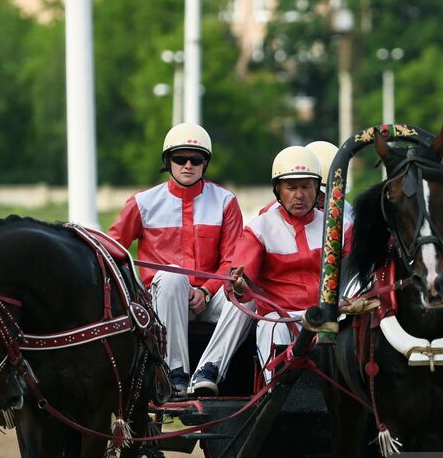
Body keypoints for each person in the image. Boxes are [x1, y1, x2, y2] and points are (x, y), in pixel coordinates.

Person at [108, 122, 243, 394]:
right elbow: (112, 249)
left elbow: (233, 259)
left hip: (209, 296)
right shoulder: (142, 202)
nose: (188, 165)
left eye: (196, 159)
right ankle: (174, 373)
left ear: (205, 163)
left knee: (247, 299)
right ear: (168, 161)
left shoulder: (226, 201)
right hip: (162, 299)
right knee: (172, 276)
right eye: (180, 158)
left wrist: (207, 290)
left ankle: (208, 370)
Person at [190, 146, 324, 396]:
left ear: (317, 189)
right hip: (280, 318)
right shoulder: (260, 227)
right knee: (273, 325)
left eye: (306, 186)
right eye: (291, 188)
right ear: (278, 191)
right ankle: (277, 395)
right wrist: (240, 285)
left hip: (327, 316)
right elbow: (240, 274)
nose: (299, 195)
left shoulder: (338, 228)